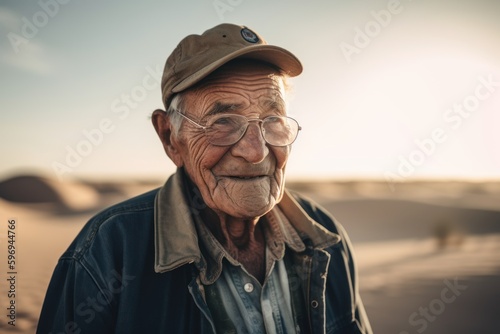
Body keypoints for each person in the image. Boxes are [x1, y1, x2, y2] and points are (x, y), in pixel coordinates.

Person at [37, 23, 372, 334]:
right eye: (223, 121)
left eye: (273, 119)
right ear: (170, 137)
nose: (256, 152)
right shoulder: (109, 251)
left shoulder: (325, 237)